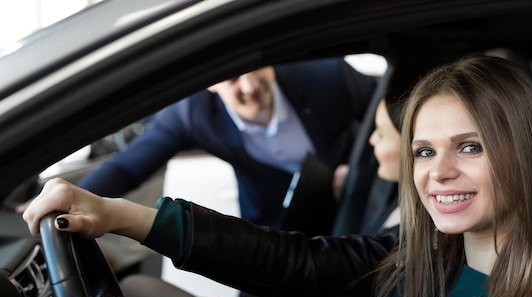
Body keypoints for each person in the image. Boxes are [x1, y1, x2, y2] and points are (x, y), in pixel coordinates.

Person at [23, 55, 532, 297]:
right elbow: (297, 261)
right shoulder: (422, 251)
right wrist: (121, 216)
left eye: (468, 147)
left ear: (522, 153)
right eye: (422, 151)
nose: (438, 173)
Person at [116, 95, 403, 297]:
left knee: (136, 293)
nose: (370, 141)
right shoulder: (395, 205)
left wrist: (123, 217)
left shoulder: (403, 244)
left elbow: (298, 262)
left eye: (380, 133)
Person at [75, 58, 377, 231]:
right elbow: (126, 168)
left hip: (358, 209)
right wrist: (74, 199)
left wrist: (359, 174)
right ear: (210, 82)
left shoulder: (326, 75)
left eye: (255, 67)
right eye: (232, 79)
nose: (250, 86)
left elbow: (396, 116)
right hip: (274, 225)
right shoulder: (191, 114)